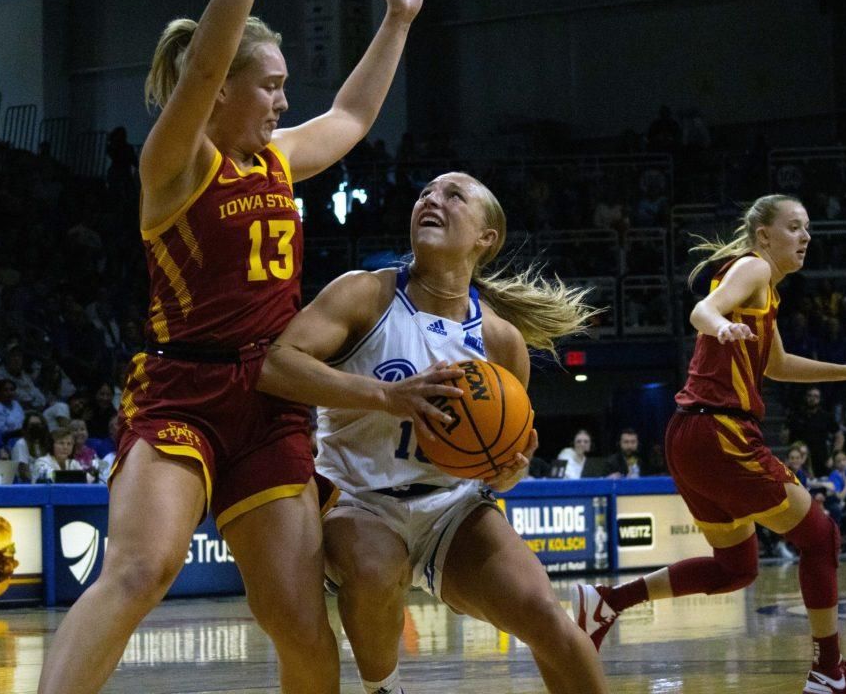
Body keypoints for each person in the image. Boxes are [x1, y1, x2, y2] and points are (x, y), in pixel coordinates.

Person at [37, 0, 426, 692]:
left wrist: (398, 22)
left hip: (271, 396)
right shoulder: (175, 164)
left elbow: (351, 114)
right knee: (141, 568)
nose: (284, 101)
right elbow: (208, 64)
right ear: (218, 93)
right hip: (182, 388)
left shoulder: (278, 160)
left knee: (298, 625)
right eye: (272, 86)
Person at [256, 171, 607, 694]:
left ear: (485, 238)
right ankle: (386, 689)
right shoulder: (365, 295)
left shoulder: (502, 342)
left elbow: (501, 468)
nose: (431, 200)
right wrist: (384, 395)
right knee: (376, 569)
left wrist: (509, 471)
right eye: (425, 194)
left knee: (548, 620)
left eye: (453, 195)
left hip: (453, 508)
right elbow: (274, 365)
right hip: (358, 499)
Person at [573, 194, 846, 693]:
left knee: (736, 568)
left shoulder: (765, 290)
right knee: (821, 537)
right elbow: (702, 311)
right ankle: (828, 673)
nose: (806, 237)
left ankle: (607, 602)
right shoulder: (751, 268)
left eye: (808, 228)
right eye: (795, 227)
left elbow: (776, 365)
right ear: (764, 236)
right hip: (719, 432)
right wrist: (719, 322)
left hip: (690, 435)